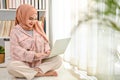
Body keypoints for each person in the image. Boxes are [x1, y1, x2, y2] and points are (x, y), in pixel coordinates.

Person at [7, 4, 62, 80]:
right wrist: (34, 55)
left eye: (35, 18)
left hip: (40, 61)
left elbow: (45, 42)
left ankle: (32, 72)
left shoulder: (37, 27)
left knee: (58, 59)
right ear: (22, 16)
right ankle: (42, 73)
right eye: (30, 18)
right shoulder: (15, 31)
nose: (33, 21)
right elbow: (15, 50)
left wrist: (47, 51)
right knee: (11, 67)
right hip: (24, 63)